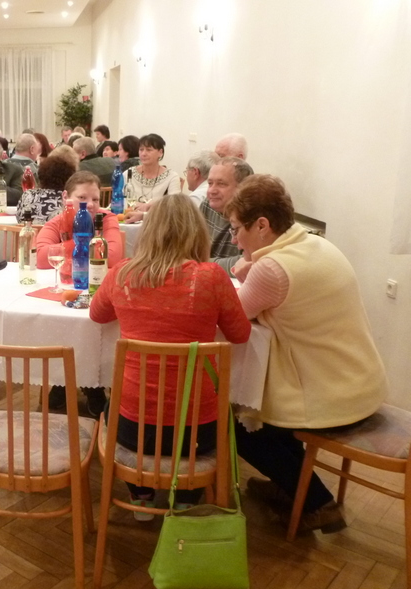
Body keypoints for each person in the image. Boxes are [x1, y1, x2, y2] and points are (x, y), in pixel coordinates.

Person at [226, 175, 387, 533]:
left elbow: (233, 317)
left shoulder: (272, 269)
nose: (234, 239)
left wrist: (240, 269)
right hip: (362, 382)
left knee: (237, 428)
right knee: (267, 420)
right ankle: (290, 488)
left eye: (237, 229)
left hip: (332, 395)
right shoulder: (317, 245)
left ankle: (318, 504)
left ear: (262, 225)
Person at [91, 194, 251, 513]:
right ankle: (188, 498)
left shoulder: (122, 273)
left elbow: (97, 315)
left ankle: (141, 493)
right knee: (215, 415)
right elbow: (240, 334)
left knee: (109, 406)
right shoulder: (212, 277)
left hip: (133, 428)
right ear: (197, 233)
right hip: (197, 432)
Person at [37, 171, 125, 417]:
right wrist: (86, 242)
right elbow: (41, 257)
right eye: (82, 198)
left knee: (92, 326)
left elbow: (113, 257)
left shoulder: (106, 219)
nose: (91, 204)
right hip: (64, 289)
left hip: (98, 291)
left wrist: (67, 246)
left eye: (95, 199)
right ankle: (62, 380)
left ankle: (92, 387)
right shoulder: (58, 221)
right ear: (66, 197)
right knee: (57, 324)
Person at [201, 157, 253, 275]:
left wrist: (202, 264)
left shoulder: (252, 216)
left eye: (221, 184)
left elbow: (249, 262)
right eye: (210, 183)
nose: (212, 191)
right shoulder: (207, 205)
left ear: (242, 187)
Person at [123, 134, 182, 223]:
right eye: (141, 149)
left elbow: (173, 204)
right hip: (129, 219)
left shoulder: (172, 176)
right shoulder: (129, 173)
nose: (143, 154)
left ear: (160, 152)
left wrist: (150, 206)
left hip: (158, 223)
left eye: (149, 150)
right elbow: (119, 199)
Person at [15, 153, 77, 224]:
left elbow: (19, 219)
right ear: (69, 178)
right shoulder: (67, 200)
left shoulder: (28, 195)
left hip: (28, 231)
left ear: (41, 175)